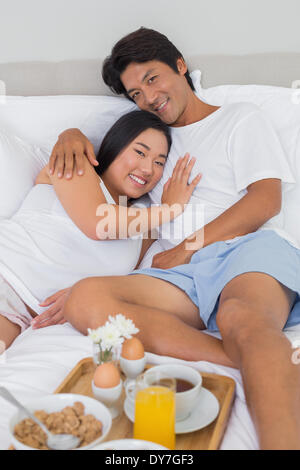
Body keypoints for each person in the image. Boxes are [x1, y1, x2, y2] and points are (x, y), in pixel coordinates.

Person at [45, 28, 300, 449]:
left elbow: (264, 201)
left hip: (246, 251)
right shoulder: (150, 136)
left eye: (151, 79)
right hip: (181, 276)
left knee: (242, 319)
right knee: (84, 298)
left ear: (180, 66)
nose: (147, 97)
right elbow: (93, 146)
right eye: (134, 93)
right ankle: (252, 359)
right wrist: (68, 133)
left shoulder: (239, 117)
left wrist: (184, 248)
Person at [0, 109, 201, 348]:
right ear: (116, 145)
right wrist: (170, 208)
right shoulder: (76, 165)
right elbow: (99, 225)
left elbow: (142, 278)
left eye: (159, 162)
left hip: (24, 313)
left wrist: (84, 293)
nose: (148, 169)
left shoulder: (143, 225)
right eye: (140, 152)